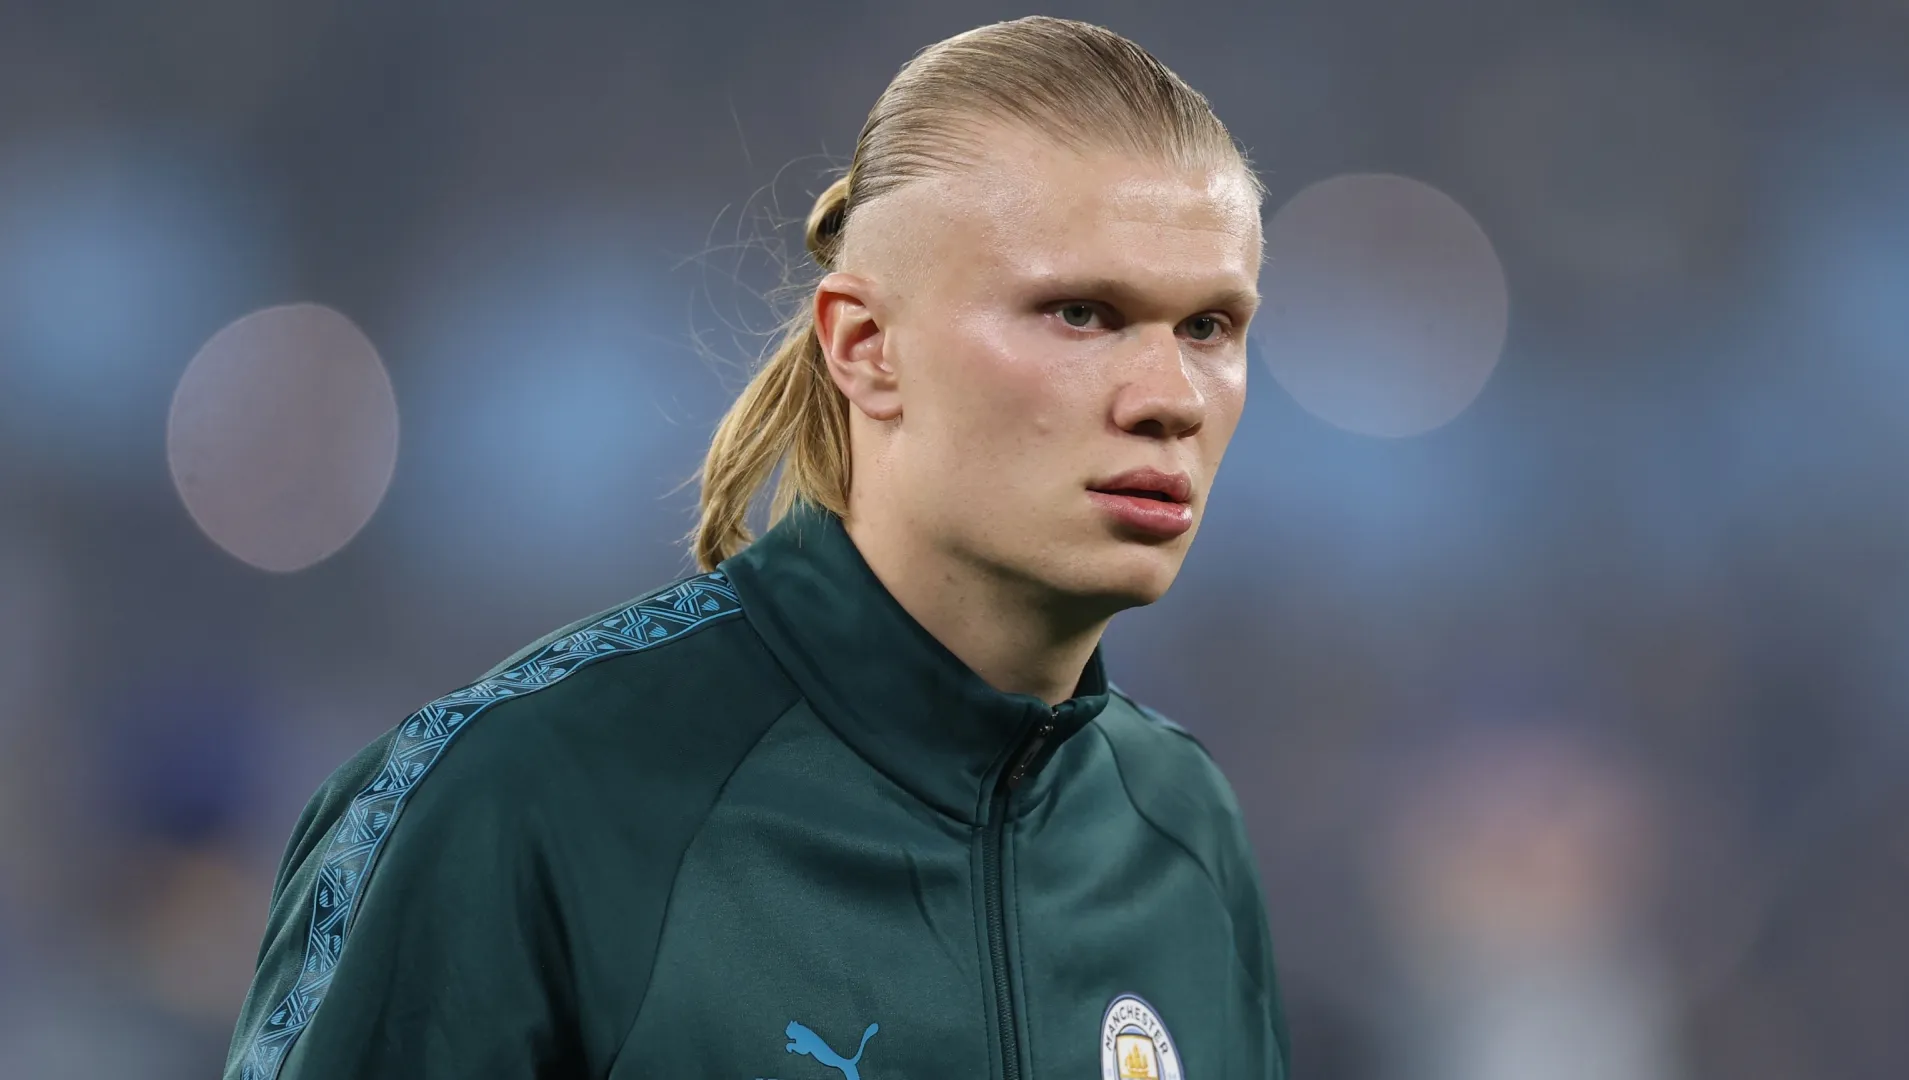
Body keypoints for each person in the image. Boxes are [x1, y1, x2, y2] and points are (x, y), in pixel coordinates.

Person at [224, 15, 1287, 1079]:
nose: (1171, 400)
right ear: (867, 349)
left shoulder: (1183, 832)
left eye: (1209, 328)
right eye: (1082, 312)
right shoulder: (518, 802)